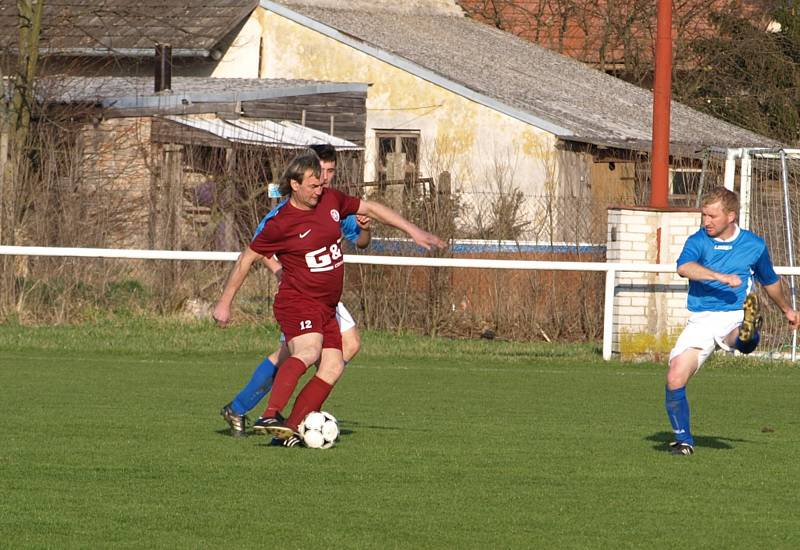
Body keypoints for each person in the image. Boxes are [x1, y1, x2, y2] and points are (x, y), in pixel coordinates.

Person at [214, 150, 445, 447]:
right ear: (295, 185)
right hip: (297, 300)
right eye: (313, 184)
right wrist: (225, 302)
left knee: (333, 365)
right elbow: (247, 258)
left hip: (327, 305)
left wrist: (413, 230)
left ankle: (290, 429)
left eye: (322, 183)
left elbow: (370, 209)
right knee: (308, 351)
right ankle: (268, 415)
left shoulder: (330, 201)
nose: (319, 189)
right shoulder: (280, 222)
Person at [219, 144, 371, 437]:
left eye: (329, 172)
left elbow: (361, 240)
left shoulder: (331, 203)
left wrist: (366, 228)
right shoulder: (285, 213)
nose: (325, 178)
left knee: (341, 348)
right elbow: (257, 250)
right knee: (294, 354)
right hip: (301, 292)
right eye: (320, 172)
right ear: (300, 178)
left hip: (327, 294)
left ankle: (295, 413)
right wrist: (280, 271)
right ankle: (258, 412)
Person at [666, 186, 798, 456]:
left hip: (734, 312)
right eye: (704, 215)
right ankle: (684, 443)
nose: (706, 222)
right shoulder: (698, 241)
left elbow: (770, 281)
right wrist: (720, 276)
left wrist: (788, 309)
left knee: (736, 335)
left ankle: (747, 333)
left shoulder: (753, 245)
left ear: (731, 216)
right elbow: (683, 268)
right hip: (702, 318)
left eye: (712, 216)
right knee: (675, 376)